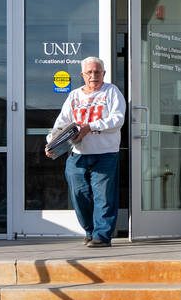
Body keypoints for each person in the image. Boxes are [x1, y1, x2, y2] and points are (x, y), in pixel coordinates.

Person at [45, 56, 126, 247]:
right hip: (77, 154)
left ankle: (102, 236)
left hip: (105, 153)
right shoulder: (73, 96)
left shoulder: (111, 91)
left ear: (103, 74)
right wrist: (51, 144)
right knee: (79, 194)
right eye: (89, 72)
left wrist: (90, 126)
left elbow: (118, 119)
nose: (93, 76)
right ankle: (90, 231)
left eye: (97, 72)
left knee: (104, 196)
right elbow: (61, 124)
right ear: (82, 75)